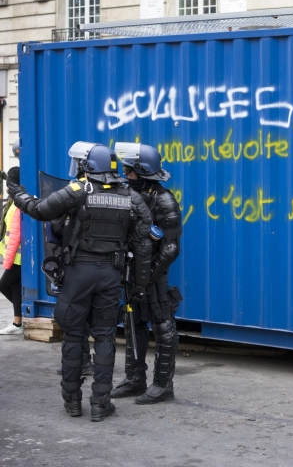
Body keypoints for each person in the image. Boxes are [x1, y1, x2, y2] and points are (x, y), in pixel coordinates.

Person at [8, 142, 152, 421]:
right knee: (105, 336)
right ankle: (101, 403)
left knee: (74, 334)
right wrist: (140, 283)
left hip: (79, 274)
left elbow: (39, 211)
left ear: (87, 166)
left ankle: (72, 402)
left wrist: (19, 196)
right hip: (112, 274)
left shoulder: (77, 190)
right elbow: (143, 242)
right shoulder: (130, 196)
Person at [111, 142, 182, 404]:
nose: (125, 175)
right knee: (132, 324)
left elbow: (171, 248)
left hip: (153, 274)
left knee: (163, 325)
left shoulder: (164, 199)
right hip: (131, 272)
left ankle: (163, 385)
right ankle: (134, 379)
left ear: (142, 172)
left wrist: (147, 275)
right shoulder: (126, 194)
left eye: (129, 171)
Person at [0, 167, 23, 335]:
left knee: (3, 285)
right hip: (15, 256)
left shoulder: (17, 206)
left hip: (18, 258)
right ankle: (17, 323)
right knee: (14, 287)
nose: (7, 188)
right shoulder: (14, 202)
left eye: (9, 185)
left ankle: (22, 316)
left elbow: (14, 237)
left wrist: (7, 262)